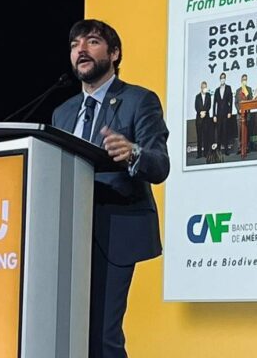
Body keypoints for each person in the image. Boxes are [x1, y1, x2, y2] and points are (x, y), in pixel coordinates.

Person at [52, 19, 169, 358]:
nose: (81, 50)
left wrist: (133, 152)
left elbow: (159, 164)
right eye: (75, 45)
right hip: (68, 235)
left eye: (91, 42)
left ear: (114, 53)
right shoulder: (63, 112)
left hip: (114, 230)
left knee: (103, 337)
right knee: (67, 335)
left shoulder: (138, 101)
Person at [212, 72, 233, 155]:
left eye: (224, 77)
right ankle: (218, 150)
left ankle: (226, 150)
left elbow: (230, 101)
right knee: (219, 132)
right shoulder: (217, 90)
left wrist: (230, 112)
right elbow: (214, 104)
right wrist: (214, 115)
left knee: (225, 131)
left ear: (225, 79)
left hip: (226, 113)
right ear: (219, 79)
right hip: (218, 114)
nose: (222, 79)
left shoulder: (228, 88)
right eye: (221, 78)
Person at [234, 73, 253, 154]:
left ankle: (246, 147)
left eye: (245, 79)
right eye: (243, 79)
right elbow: (236, 102)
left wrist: (247, 108)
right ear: (241, 81)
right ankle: (240, 147)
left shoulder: (249, 89)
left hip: (247, 114)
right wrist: (239, 110)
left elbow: (251, 100)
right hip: (239, 114)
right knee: (239, 132)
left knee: (247, 131)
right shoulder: (238, 90)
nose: (244, 81)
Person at [194, 81, 212, 158]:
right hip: (199, 119)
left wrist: (204, 112)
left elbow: (209, 105)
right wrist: (201, 112)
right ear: (201, 88)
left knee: (206, 136)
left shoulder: (208, 95)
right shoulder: (197, 96)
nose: (204, 88)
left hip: (206, 119)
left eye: (205, 87)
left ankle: (206, 153)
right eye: (203, 87)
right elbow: (196, 106)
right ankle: (199, 154)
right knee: (199, 137)